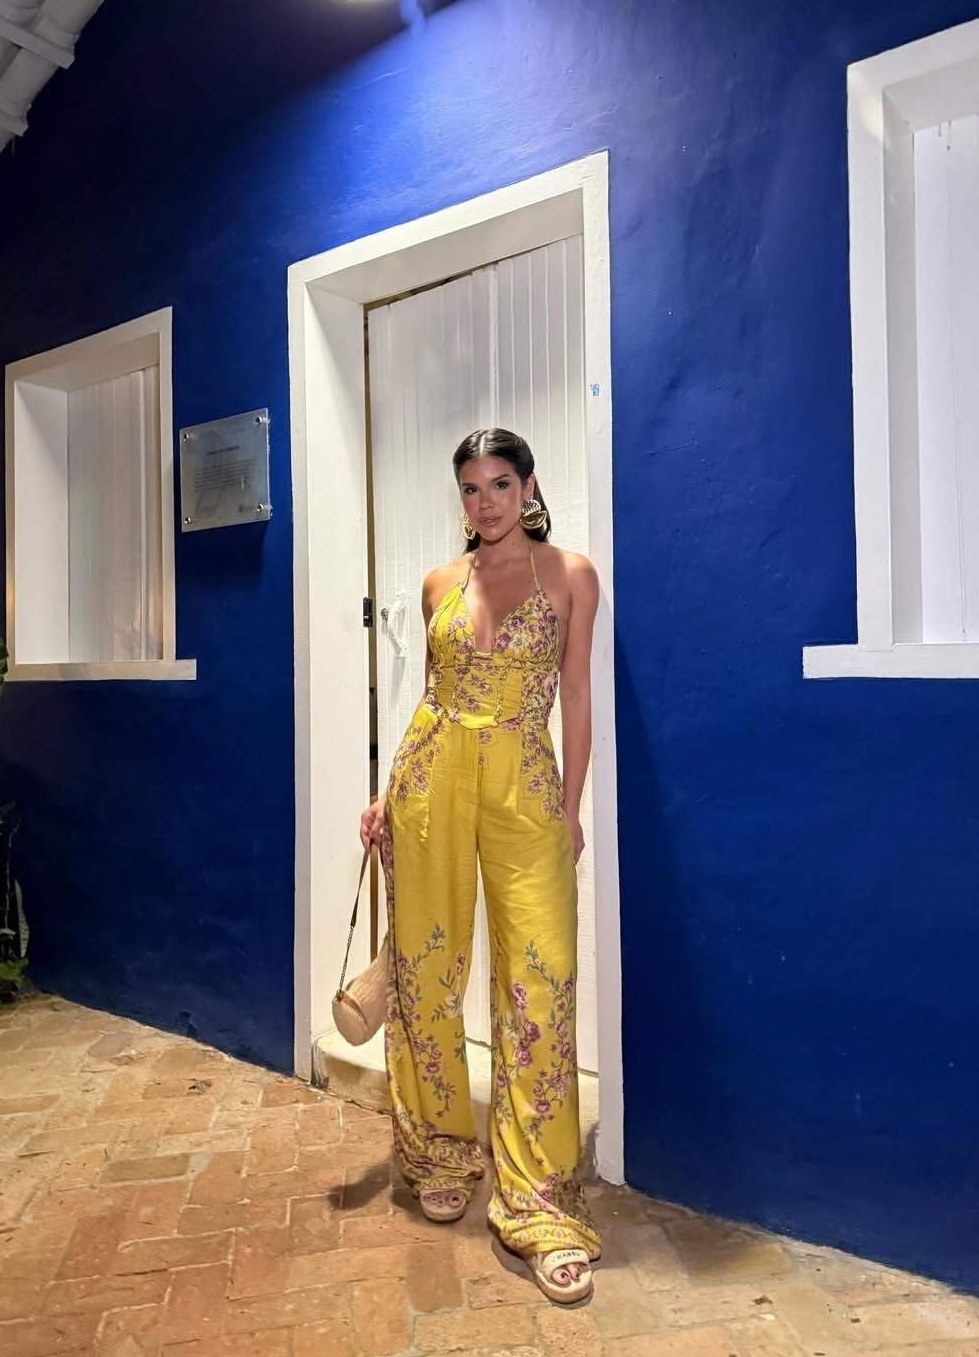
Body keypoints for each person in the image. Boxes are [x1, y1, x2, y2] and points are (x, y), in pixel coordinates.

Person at [359, 427, 602, 1304]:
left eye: (500, 484)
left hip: (524, 783)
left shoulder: (571, 575)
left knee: (541, 977)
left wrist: (569, 810)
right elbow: (430, 697)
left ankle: (538, 1201)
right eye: (470, 488)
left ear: (529, 487)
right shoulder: (440, 583)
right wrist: (389, 794)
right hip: (433, 780)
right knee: (428, 968)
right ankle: (439, 1151)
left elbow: (576, 694)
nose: (486, 502)